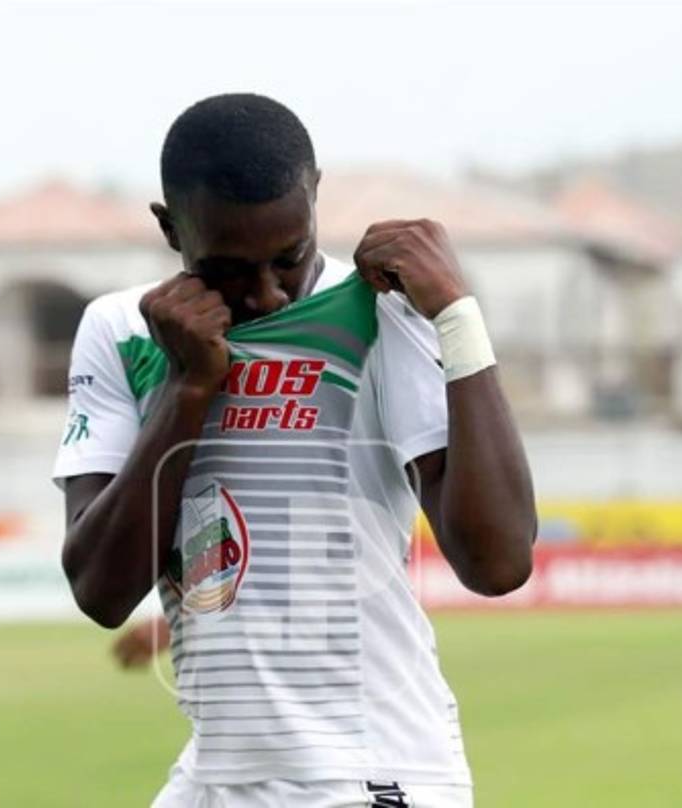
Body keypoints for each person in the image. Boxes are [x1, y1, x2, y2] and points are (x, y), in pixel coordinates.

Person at [54, 94, 536, 807]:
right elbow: (100, 590)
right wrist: (187, 388)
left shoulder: (378, 309)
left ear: (315, 197)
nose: (269, 295)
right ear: (169, 227)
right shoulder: (122, 330)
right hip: (218, 776)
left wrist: (458, 316)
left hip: (369, 773)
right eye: (228, 270)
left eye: (290, 257)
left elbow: (497, 564)